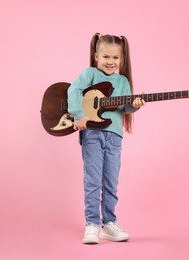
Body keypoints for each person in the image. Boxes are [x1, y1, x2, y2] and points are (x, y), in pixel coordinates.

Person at [67, 33, 145, 244]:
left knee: (111, 182)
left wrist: (133, 106)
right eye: (106, 57)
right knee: (93, 181)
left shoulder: (122, 81)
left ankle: (109, 223)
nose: (111, 62)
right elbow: (73, 89)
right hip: (92, 133)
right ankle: (92, 224)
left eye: (116, 58)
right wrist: (79, 115)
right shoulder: (90, 74)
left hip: (115, 137)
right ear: (96, 56)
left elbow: (124, 107)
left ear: (122, 60)